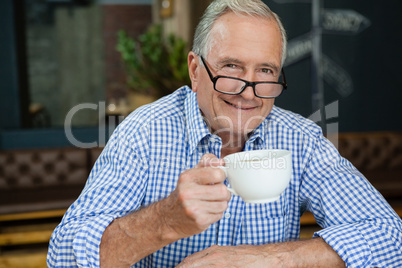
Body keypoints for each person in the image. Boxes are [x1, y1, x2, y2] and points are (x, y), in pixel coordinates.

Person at [47, 0, 402, 267]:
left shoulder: (300, 139)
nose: (249, 92)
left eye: (265, 71)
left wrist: (263, 260)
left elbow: (391, 237)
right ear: (195, 70)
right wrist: (164, 220)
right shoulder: (143, 132)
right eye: (231, 67)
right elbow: (63, 255)